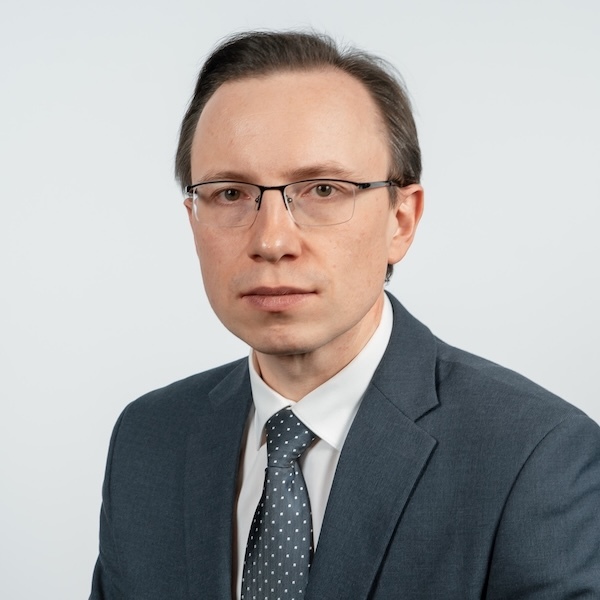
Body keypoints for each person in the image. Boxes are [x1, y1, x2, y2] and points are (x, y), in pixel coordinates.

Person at [90, 31, 600, 599]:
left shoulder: (535, 456)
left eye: (323, 190)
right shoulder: (149, 439)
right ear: (193, 220)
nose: (272, 241)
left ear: (401, 220)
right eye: (231, 194)